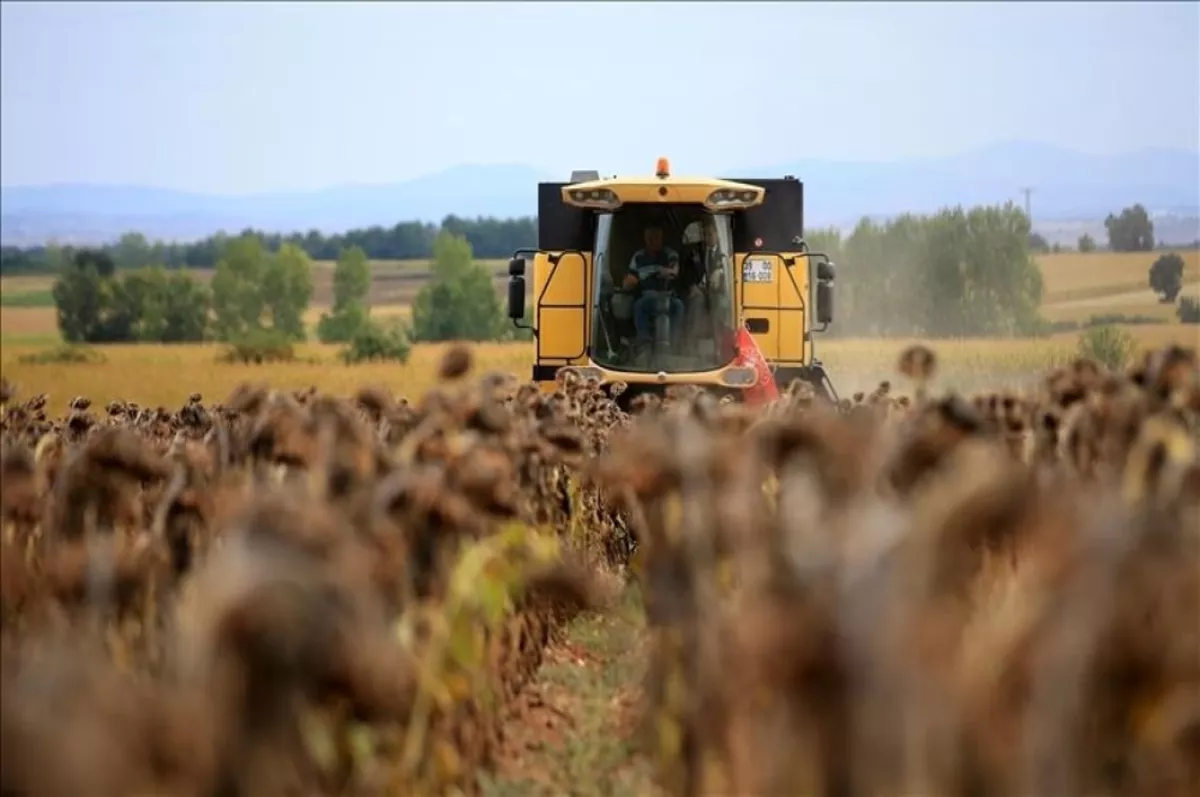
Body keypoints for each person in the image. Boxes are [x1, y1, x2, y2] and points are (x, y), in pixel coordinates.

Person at [623, 223, 684, 350]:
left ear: (661, 238)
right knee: (638, 306)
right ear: (645, 238)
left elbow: (675, 271)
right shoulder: (638, 256)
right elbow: (629, 279)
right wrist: (629, 282)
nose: (653, 240)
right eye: (650, 237)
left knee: (679, 306)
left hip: (667, 296)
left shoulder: (669, 254)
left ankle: (676, 344)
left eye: (656, 237)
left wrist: (666, 272)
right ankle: (644, 343)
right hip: (647, 297)